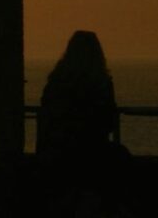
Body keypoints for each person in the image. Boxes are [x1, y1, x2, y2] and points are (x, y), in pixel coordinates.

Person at [38, 30, 118, 172]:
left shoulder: (57, 81)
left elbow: (46, 115)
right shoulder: (101, 84)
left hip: (59, 151)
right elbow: (109, 121)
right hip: (92, 152)